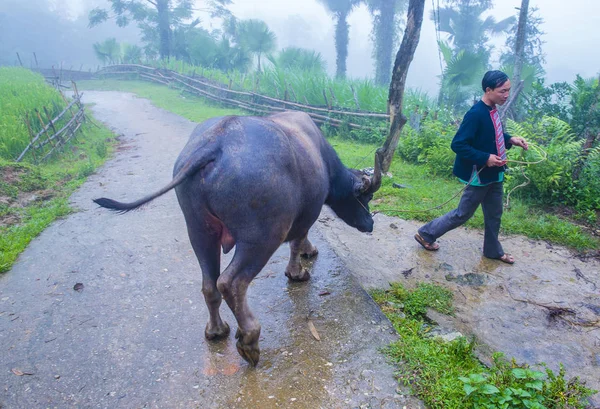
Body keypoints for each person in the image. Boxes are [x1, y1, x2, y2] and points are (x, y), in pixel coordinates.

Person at [414, 70, 528, 264]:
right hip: (480, 175)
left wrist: (511, 139)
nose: (506, 95)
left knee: (494, 214)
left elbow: (491, 136)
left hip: (495, 174)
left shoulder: (492, 110)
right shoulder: (475, 114)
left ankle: (492, 250)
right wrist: (485, 158)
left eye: (508, 90)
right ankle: (426, 233)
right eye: (502, 91)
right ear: (488, 90)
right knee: (463, 213)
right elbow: (458, 144)